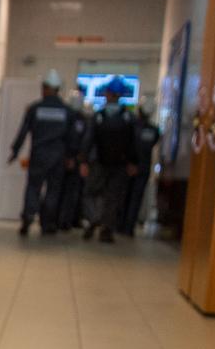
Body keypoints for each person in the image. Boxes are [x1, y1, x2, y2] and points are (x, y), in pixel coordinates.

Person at [6, 69, 72, 236]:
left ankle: (28, 217)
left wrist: (15, 151)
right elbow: (71, 137)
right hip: (58, 157)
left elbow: (23, 131)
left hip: (39, 155)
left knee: (33, 187)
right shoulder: (67, 111)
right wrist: (71, 156)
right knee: (53, 191)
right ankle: (47, 223)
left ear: (47, 88)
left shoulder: (35, 109)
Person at [84, 80, 140, 243]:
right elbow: (134, 143)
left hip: (103, 163)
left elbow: (88, 140)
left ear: (108, 94)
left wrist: (83, 160)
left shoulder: (100, 116)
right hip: (116, 164)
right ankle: (104, 227)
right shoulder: (128, 118)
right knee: (111, 196)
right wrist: (133, 162)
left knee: (94, 193)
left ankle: (96, 220)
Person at [124, 103, 161, 235]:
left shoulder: (131, 128)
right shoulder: (154, 130)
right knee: (136, 199)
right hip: (143, 168)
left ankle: (122, 225)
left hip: (130, 167)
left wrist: (131, 164)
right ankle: (129, 227)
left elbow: (129, 146)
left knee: (126, 197)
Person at [57, 91, 91, 230]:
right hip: (66, 159)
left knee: (69, 192)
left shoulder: (79, 120)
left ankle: (65, 220)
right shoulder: (72, 118)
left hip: (71, 160)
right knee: (65, 191)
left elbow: (83, 141)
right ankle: (62, 219)